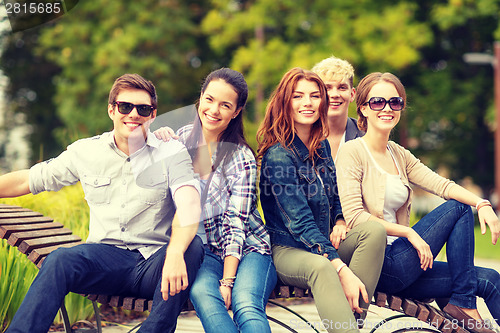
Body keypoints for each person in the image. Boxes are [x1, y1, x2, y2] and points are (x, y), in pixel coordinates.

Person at [3, 74, 204, 333]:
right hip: (104, 262)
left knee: (192, 246)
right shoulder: (86, 152)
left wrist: (175, 253)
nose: (134, 114)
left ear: (153, 115)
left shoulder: (171, 152)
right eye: (125, 106)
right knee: (60, 260)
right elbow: (29, 180)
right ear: (112, 110)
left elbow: (189, 204)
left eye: (143, 108)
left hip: (154, 263)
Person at [336, 72, 500, 333]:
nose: (387, 108)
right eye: (378, 102)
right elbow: (354, 215)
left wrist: (483, 204)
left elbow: (442, 185)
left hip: (408, 266)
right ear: (364, 109)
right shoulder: (352, 152)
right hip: (382, 263)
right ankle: (463, 304)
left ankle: (462, 302)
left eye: (395, 102)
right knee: (458, 209)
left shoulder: (398, 153)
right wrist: (409, 232)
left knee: (492, 280)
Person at [257, 67, 386, 333]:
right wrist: (342, 269)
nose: (307, 102)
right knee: (323, 267)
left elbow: (335, 195)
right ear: (285, 102)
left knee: (373, 230)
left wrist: (339, 220)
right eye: (298, 96)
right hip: (289, 249)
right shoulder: (278, 156)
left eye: (315, 96)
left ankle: (350, 326)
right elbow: (300, 223)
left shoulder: (321, 145)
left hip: (324, 241)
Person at [155, 68, 276, 332]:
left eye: (225, 105)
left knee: (245, 304)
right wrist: (159, 137)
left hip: (248, 249)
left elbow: (236, 225)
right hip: (206, 251)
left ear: (236, 111)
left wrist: (228, 281)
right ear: (200, 98)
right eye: (209, 100)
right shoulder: (179, 140)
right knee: (202, 294)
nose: (214, 110)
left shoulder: (241, 158)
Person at [311, 55, 364, 161]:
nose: (335, 94)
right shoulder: (303, 137)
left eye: (342, 88)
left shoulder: (365, 138)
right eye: (327, 88)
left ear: (352, 94)